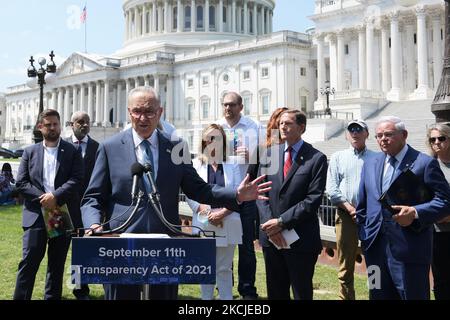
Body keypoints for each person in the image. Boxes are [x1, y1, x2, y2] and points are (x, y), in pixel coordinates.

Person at [81, 86, 271, 300]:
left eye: (149, 111)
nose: (143, 118)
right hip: (121, 246)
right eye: (137, 111)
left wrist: (235, 194)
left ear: (160, 113)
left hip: (166, 246)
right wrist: (93, 225)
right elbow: (93, 198)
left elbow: (199, 189)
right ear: (129, 112)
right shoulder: (109, 147)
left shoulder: (175, 147)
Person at [356, 116, 450, 300]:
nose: (383, 139)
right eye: (379, 135)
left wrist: (415, 213)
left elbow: (445, 201)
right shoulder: (370, 163)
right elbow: (362, 205)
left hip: (410, 250)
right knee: (377, 294)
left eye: (388, 134)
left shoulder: (424, 163)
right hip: (374, 250)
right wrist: (364, 234)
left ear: (404, 135)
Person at [256, 109, 328, 300]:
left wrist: (281, 222)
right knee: (276, 292)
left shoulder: (316, 158)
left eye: (288, 123)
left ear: (301, 127)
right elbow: (260, 193)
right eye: (280, 123)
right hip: (272, 239)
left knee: (301, 292)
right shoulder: (269, 154)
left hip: (301, 239)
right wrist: (271, 225)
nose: (282, 127)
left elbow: (312, 200)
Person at [13, 109, 84, 300]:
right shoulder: (29, 152)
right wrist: (45, 198)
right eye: (48, 125)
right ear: (40, 127)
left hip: (59, 212)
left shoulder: (72, 151)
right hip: (36, 213)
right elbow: (21, 182)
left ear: (60, 125)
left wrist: (55, 196)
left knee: (56, 264)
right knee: (29, 262)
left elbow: (77, 178)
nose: (53, 128)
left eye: (56, 124)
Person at [186, 124, 243, 300]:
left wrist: (222, 213)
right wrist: (206, 212)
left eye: (217, 138)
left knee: (224, 268)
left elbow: (239, 192)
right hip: (204, 222)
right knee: (205, 266)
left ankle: (226, 300)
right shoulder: (195, 163)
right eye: (209, 138)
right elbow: (189, 192)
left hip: (229, 219)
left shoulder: (233, 164)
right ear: (204, 140)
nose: (213, 142)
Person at [326, 120, 375, 300]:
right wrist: (349, 208)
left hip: (371, 217)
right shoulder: (338, 157)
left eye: (359, 130)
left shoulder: (376, 158)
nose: (355, 133)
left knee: (374, 262)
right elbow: (331, 189)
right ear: (347, 134)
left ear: (367, 134)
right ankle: (346, 297)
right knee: (345, 264)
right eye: (351, 130)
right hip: (346, 216)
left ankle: (375, 295)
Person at [218, 91, 260, 299]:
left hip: (247, 197)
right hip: (223, 195)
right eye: (225, 104)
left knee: (246, 247)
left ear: (241, 107)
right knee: (223, 244)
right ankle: (225, 287)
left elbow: (267, 158)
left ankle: (247, 289)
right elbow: (207, 159)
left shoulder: (253, 127)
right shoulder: (216, 128)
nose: (228, 108)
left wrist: (252, 155)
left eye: (232, 105)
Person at [67, 111, 99, 300]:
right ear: (72, 124)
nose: (84, 125)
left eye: (87, 122)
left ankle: (80, 288)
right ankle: (54, 288)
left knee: (82, 251)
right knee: (61, 251)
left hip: (87, 208)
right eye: (80, 122)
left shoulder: (96, 147)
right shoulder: (62, 145)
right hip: (65, 208)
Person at [427, 123, 450, 300]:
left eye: (441, 138)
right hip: (436, 232)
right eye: (433, 139)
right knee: (440, 280)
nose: (437, 142)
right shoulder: (428, 165)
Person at [247, 107, 288, 181]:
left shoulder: (299, 149)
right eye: (281, 123)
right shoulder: (261, 149)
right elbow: (250, 178)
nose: (284, 127)